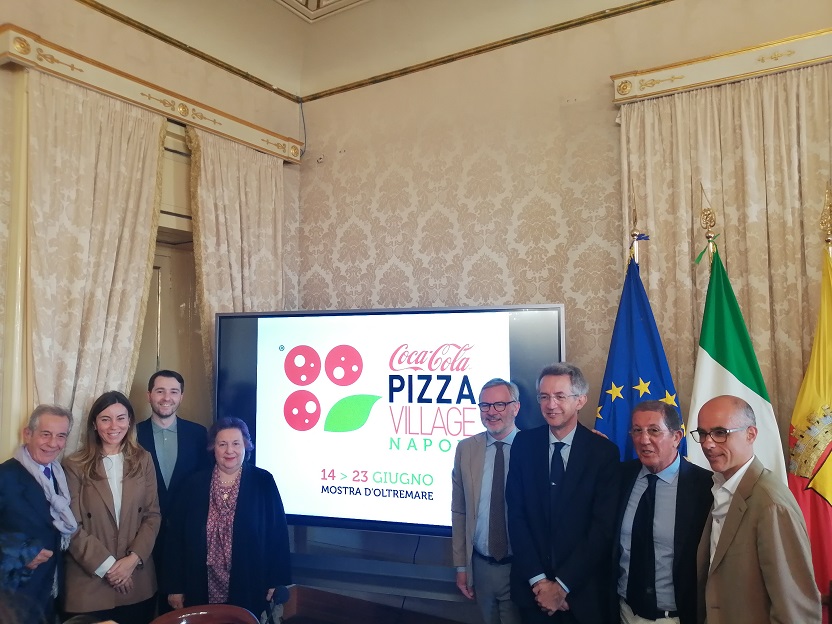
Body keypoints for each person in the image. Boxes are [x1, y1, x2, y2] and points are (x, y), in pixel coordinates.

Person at [692, 395, 821, 624]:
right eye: (703, 433)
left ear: (750, 434)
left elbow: (795, 612)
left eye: (720, 433)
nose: (708, 444)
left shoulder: (771, 504)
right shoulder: (721, 486)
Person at [506, 362, 619, 623]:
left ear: (580, 400)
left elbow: (602, 528)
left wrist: (562, 587)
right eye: (544, 397)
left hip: (581, 595)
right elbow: (517, 516)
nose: (551, 404)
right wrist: (540, 583)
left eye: (559, 396)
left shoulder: (603, 453)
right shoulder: (523, 444)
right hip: (532, 593)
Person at [165, 417, 291, 617]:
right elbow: (176, 538)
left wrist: (277, 581)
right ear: (213, 448)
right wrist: (175, 586)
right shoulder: (194, 484)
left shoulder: (263, 481)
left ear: (246, 446)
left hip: (249, 584)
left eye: (236, 443)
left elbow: (278, 535)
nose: (229, 450)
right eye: (222, 444)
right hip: (199, 585)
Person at [62, 391, 161, 624]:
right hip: (89, 585)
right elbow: (71, 526)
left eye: (120, 418)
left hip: (137, 581)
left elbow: (152, 515)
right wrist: (110, 568)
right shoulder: (74, 465)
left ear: (130, 421)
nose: (114, 426)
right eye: (105, 419)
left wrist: (131, 561)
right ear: (94, 424)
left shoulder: (143, 459)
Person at [612, 401, 712, 624]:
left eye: (654, 430)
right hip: (623, 612)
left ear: (677, 437)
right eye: (637, 430)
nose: (644, 439)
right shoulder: (619, 478)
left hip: (675, 617)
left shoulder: (705, 488)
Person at [452, 378, 523, 624]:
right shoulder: (465, 449)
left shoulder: (534, 448)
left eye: (499, 404)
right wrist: (462, 567)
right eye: (485, 405)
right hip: (480, 566)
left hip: (521, 568)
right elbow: (459, 511)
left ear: (516, 407)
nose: (491, 412)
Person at [136, 369, 208, 611]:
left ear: (181, 396)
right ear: (149, 395)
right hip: (142, 538)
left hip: (186, 541)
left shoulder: (198, 434)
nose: (167, 397)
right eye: (160, 391)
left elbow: (205, 486)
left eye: (173, 392)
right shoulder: (132, 434)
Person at [0, 404, 77, 623]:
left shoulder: (61, 475)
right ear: (28, 434)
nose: (53, 443)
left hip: (51, 593)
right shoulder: (5, 476)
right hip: (15, 598)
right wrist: (21, 552)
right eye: (45, 434)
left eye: (61, 436)